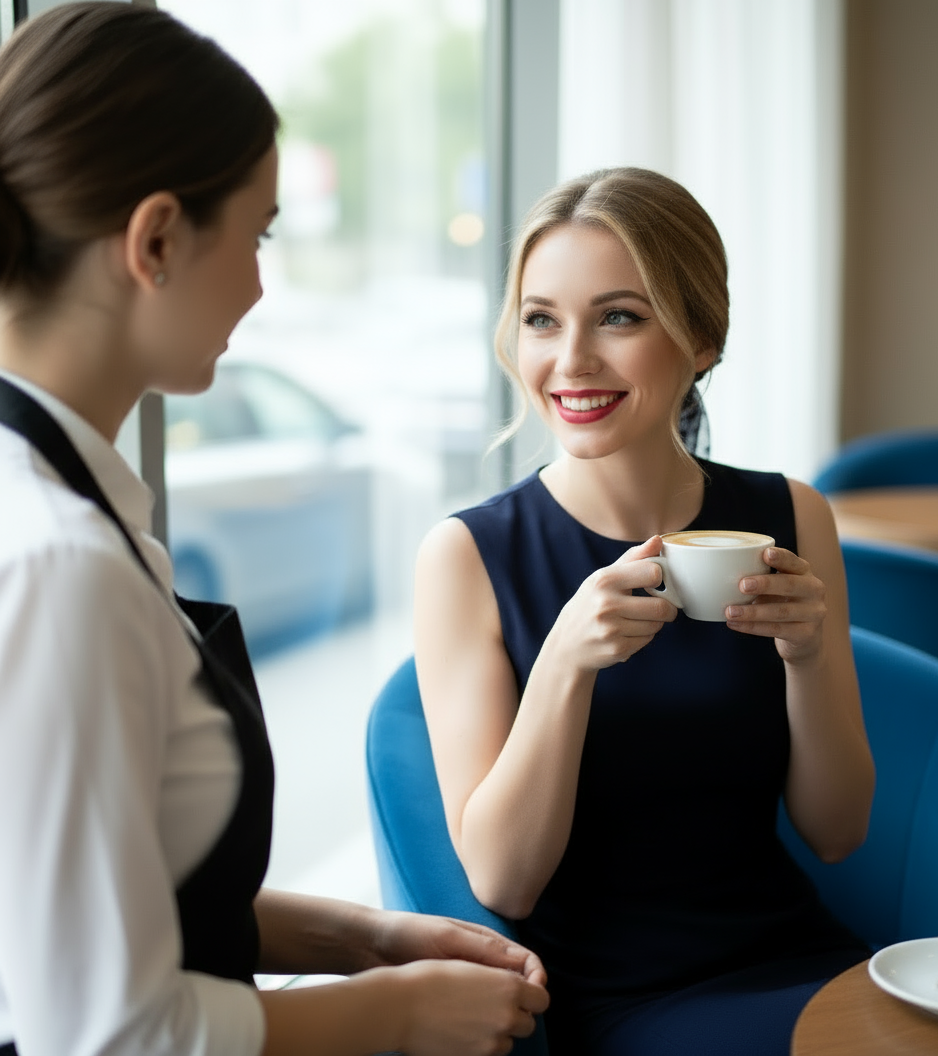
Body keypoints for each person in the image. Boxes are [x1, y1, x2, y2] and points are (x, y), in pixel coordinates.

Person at [0, 5, 548, 1056]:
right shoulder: (59, 565)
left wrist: (366, 938)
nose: (260, 281)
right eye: (256, 235)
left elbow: (93, 898)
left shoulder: (66, 518)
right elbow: (108, 1034)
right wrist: (398, 1013)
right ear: (155, 240)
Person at [414, 167, 876, 1055]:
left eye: (618, 316)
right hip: (621, 1001)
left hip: (800, 955)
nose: (572, 359)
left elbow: (838, 830)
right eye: (543, 318)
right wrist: (563, 666)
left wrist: (809, 658)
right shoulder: (469, 556)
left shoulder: (792, 515)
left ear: (701, 337)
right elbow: (503, 882)